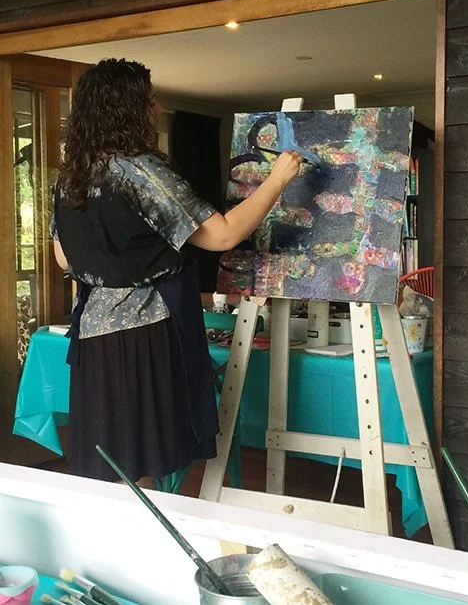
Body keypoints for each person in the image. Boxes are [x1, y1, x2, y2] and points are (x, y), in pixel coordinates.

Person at [52, 57, 303, 486]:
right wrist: (276, 180)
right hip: (145, 333)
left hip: (94, 336)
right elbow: (223, 235)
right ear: (127, 109)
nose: (155, 108)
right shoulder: (142, 172)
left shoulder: (70, 177)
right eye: (149, 100)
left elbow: (64, 259)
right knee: (143, 462)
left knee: (114, 464)